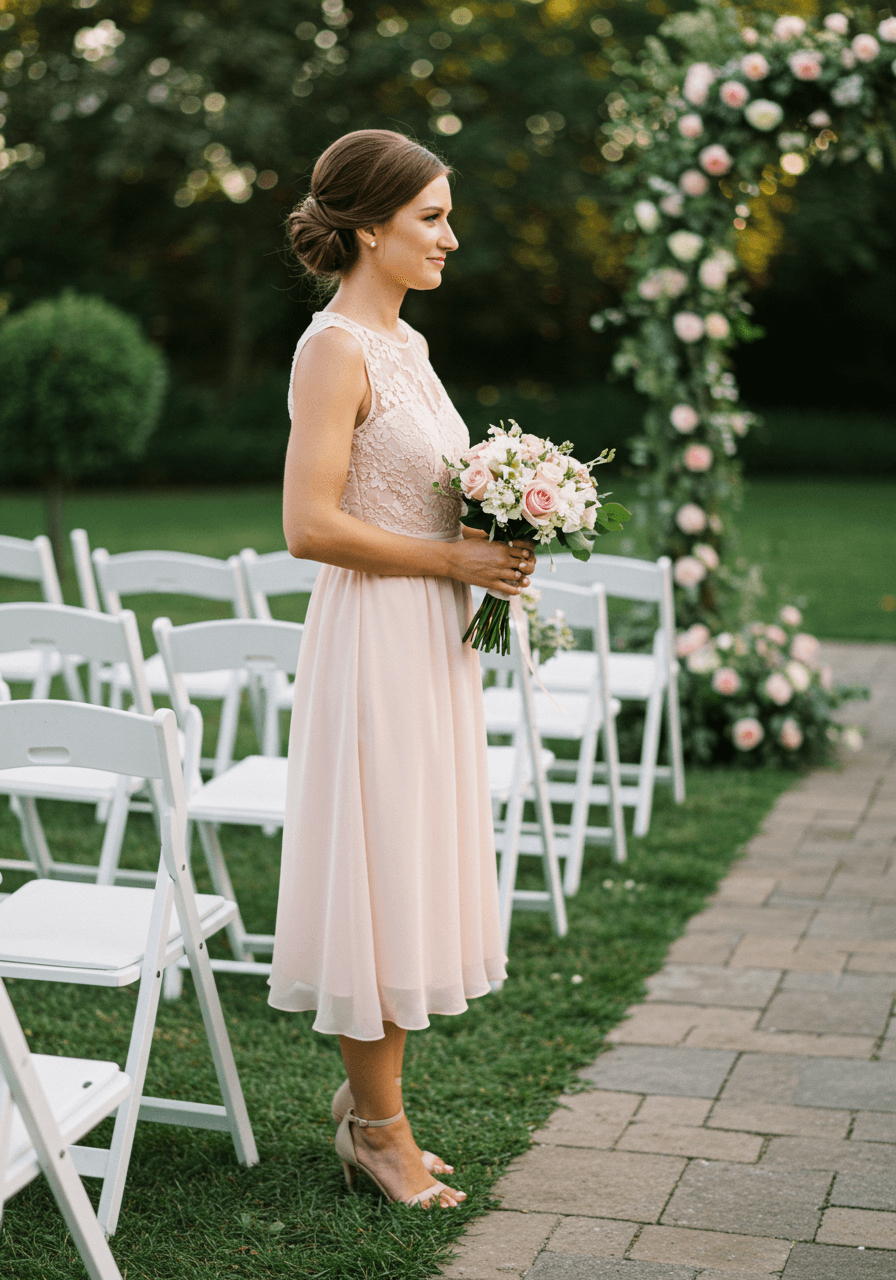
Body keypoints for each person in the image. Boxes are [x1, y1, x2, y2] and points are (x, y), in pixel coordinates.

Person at [268, 129, 535, 1209]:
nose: (448, 237)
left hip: (430, 636)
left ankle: (368, 1105)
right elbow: (307, 524)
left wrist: (503, 525)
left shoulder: (406, 344)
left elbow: (418, 489)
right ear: (370, 227)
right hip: (374, 637)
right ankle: (380, 1131)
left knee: (410, 861)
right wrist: (452, 559)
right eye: (431, 217)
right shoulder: (333, 348)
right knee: (377, 872)